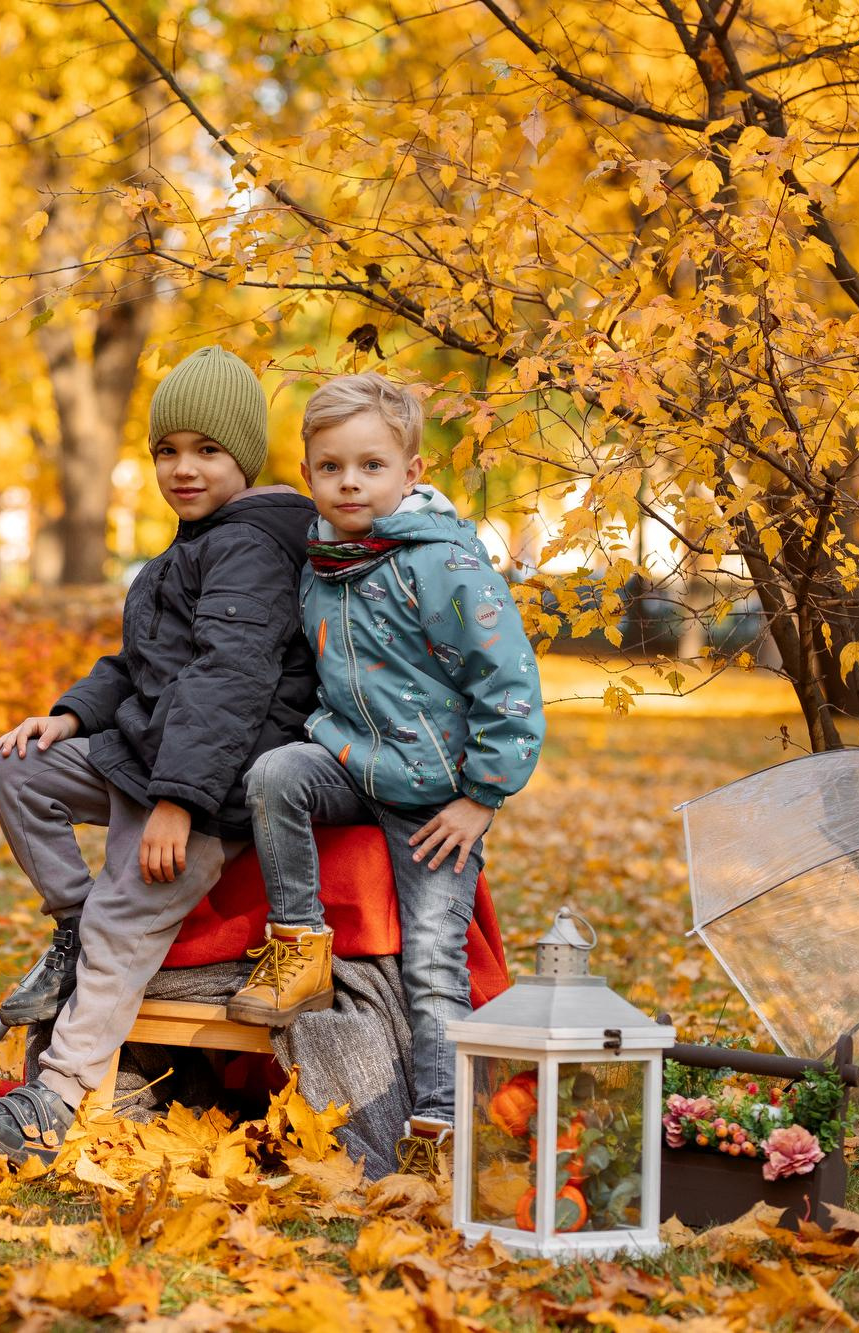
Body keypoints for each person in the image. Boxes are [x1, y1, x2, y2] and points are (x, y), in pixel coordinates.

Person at [0, 346, 319, 1165]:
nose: (183, 468)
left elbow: (228, 679)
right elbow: (135, 667)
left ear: (245, 458)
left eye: (208, 450)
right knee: (17, 768)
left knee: (125, 909)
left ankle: (54, 1100)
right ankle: (72, 925)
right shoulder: (188, 547)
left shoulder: (251, 549)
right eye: (166, 451)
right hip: (148, 757)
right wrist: (68, 717)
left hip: (211, 785)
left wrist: (179, 800)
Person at [224, 371, 543, 1177]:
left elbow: (508, 684)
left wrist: (482, 797)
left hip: (438, 799)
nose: (350, 482)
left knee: (432, 962)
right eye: (331, 467)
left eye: (371, 466)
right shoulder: (323, 560)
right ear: (309, 477)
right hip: (351, 766)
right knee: (274, 775)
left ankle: (437, 1125)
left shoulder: (445, 566)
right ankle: (299, 944)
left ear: (412, 473)